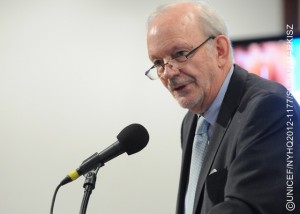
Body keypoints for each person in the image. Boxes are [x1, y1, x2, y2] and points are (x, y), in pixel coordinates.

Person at [145, 1, 300, 214]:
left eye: (180, 53)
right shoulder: (192, 121)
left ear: (220, 50)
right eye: (158, 62)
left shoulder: (269, 107)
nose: (168, 73)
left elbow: (248, 207)